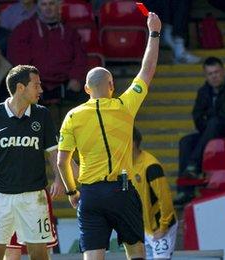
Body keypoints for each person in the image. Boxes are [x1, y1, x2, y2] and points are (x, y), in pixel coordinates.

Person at [56, 12, 161, 260]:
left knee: (93, 255)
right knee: (135, 249)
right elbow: (147, 70)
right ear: (112, 86)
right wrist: (154, 33)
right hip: (121, 190)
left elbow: (62, 161)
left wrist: (72, 193)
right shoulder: (125, 107)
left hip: (90, 194)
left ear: (86, 89)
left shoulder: (72, 116)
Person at [0, 64, 64, 260]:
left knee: (39, 254)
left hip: (34, 197)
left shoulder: (42, 115)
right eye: (36, 85)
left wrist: (59, 179)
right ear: (21, 87)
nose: (41, 89)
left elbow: (53, 154)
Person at [175, 56, 225, 205]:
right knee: (186, 141)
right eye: (210, 74)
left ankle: (193, 165)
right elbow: (196, 116)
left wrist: (208, 120)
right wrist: (207, 124)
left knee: (215, 123)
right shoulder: (204, 90)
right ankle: (185, 190)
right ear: (206, 75)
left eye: (216, 72)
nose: (214, 76)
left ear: (223, 71)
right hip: (211, 131)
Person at [7, 0, 87, 128]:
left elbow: (80, 57)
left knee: (89, 101)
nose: (48, 8)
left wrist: (76, 78)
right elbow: (17, 57)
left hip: (65, 83)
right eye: (44, 4)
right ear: (38, 8)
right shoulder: (24, 29)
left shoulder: (69, 32)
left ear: (58, 6)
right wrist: (29, 80)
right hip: (35, 82)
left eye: (51, 4)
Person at [132, 127, 177, 260]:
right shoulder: (126, 166)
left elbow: (165, 198)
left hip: (160, 228)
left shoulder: (151, 166)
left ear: (133, 143)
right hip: (144, 229)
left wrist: (164, 226)